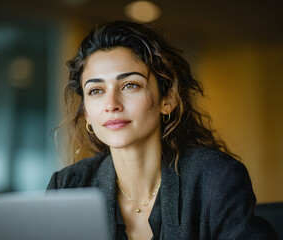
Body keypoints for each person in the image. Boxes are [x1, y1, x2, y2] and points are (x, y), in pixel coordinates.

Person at [47, 21, 278, 240]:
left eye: (130, 85)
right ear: (87, 113)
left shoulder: (216, 179)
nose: (111, 104)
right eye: (96, 90)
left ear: (167, 100)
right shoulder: (69, 186)